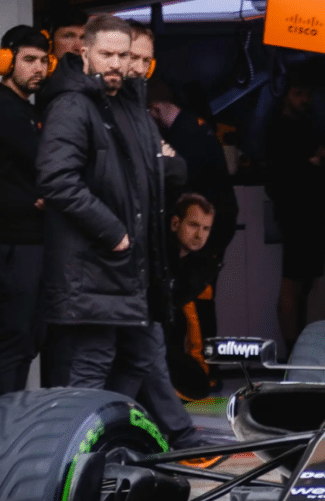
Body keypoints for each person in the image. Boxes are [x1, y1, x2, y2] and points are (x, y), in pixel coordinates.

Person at [36, 15, 203, 449]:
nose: (118, 63)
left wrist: (162, 163)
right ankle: (72, 457)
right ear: (83, 52)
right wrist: (114, 232)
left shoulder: (124, 100)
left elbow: (170, 168)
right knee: (96, 362)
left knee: (140, 355)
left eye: (125, 56)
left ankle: (116, 444)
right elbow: (56, 179)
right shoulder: (74, 104)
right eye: (108, 54)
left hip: (130, 267)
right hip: (98, 265)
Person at [0, 25, 51, 404]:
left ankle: (7, 427)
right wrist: (43, 196)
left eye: (42, 61)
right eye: (29, 60)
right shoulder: (5, 109)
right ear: (6, 61)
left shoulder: (22, 108)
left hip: (24, 243)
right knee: (11, 342)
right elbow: (46, 168)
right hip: (10, 246)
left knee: (24, 341)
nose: (38, 68)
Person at [264, 73, 325, 352]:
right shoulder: (279, 126)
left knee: (304, 283)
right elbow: (277, 176)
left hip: (313, 211)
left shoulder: (306, 123)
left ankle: (299, 348)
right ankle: (292, 352)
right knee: (292, 282)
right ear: (286, 95)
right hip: (295, 213)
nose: (304, 100)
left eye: (307, 94)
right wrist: (310, 163)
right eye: (298, 94)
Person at [147, 78, 239, 259]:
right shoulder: (195, 122)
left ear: (155, 110)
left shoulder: (183, 138)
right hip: (218, 221)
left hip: (205, 227)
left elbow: (180, 187)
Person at [164, 194, 222, 400]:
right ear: (175, 223)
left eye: (206, 229)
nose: (199, 235)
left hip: (167, 352)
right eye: (193, 225)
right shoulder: (157, 258)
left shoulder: (201, 267)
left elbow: (199, 325)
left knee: (196, 386)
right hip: (147, 347)